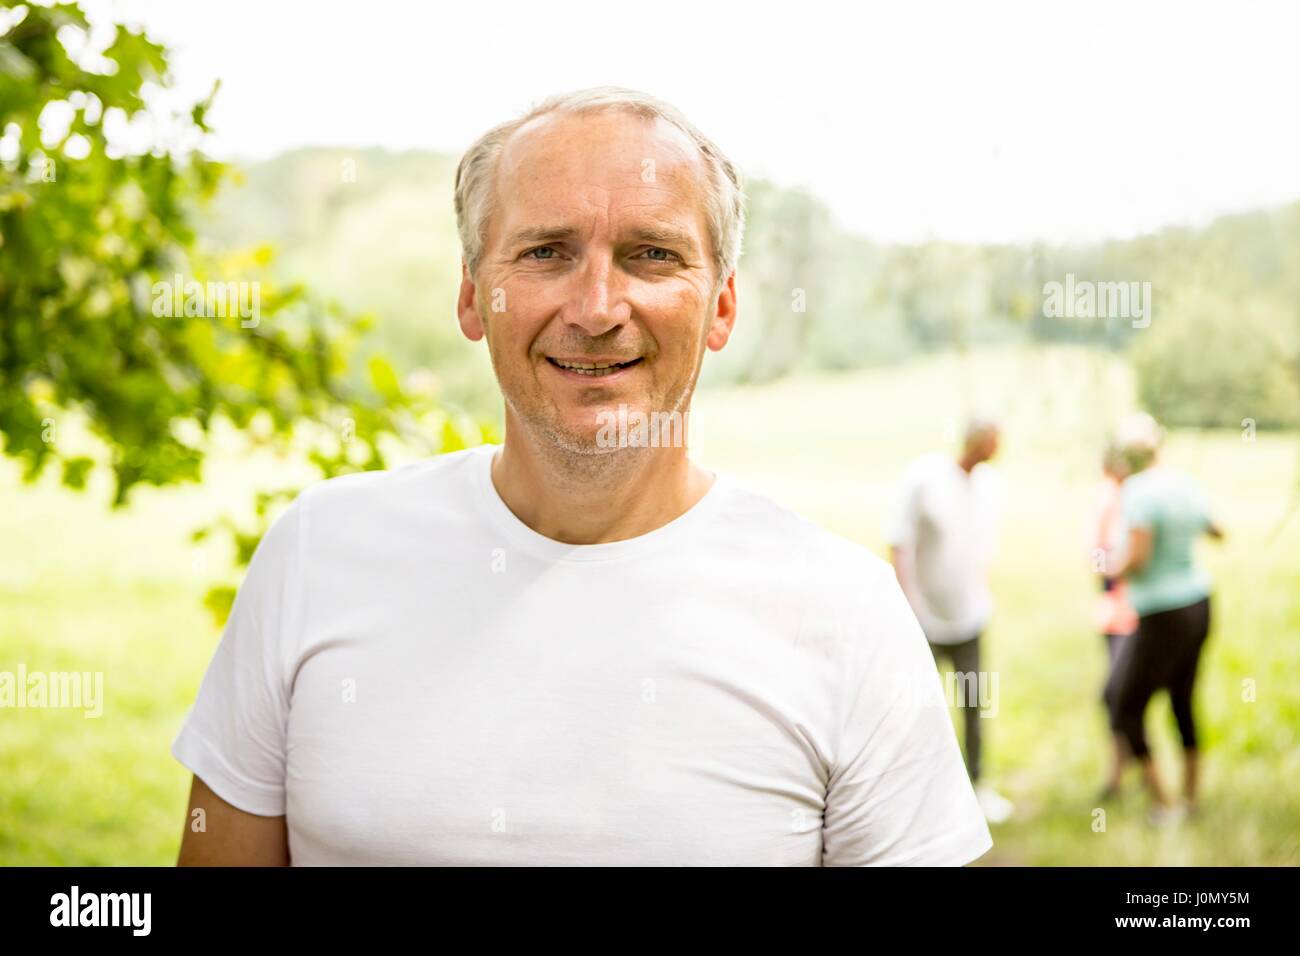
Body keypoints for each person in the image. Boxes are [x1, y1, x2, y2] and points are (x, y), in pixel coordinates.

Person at [171, 87, 992, 866]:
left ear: (722, 307)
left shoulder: (848, 614)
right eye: (546, 252)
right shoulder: (319, 552)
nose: (597, 308)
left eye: (651, 254)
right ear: (471, 296)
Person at [887, 418, 1014, 824]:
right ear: (974, 440)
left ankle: (977, 786)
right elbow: (900, 541)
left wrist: (982, 592)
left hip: (969, 618)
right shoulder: (925, 478)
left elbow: (984, 546)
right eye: (992, 439)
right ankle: (911, 795)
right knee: (917, 707)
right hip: (924, 619)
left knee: (975, 704)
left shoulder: (990, 486)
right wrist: (910, 603)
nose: (996, 448)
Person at [1105, 413, 1223, 822]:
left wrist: (1108, 567)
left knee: (1123, 705)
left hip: (1162, 612)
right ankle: (1190, 799)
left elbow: (1136, 558)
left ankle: (1162, 804)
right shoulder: (1184, 483)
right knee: (1183, 699)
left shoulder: (1138, 492)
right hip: (1200, 603)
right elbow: (1218, 530)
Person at [1090, 441, 1138, 799]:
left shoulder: (1138, 495)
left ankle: (1124, 774)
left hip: (1138, 612)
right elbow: (1096, 557)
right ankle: (1119, 774)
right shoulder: (1108, 497)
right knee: (1119, 697)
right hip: (1118, 612)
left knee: (1122, 696)